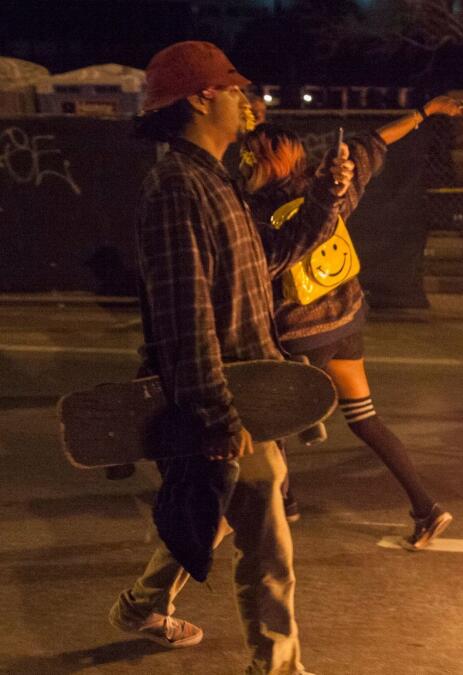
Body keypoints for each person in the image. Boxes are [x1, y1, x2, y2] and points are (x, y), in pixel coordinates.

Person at [108, 41, 353, 675]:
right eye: (235, 89)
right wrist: (217, 418)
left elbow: (264, 263)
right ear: (200, 97)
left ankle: (142, 603)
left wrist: (326, 200)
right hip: (226, 400)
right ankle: (276, 666)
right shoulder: (175, 188)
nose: (248, 100)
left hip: (247, 397)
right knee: (268, 548)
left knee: (216, 515)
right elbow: (183, 318)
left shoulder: (215, 181)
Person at [239, 96, 463, 550]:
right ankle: (426, 508)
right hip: (346, 323)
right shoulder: (331, 183)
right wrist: (425, 112)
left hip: (301, 335)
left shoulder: (255, 211)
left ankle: (285, 502)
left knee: (265, 421)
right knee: (365, 418)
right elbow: (375, 140)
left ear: (259, 162)